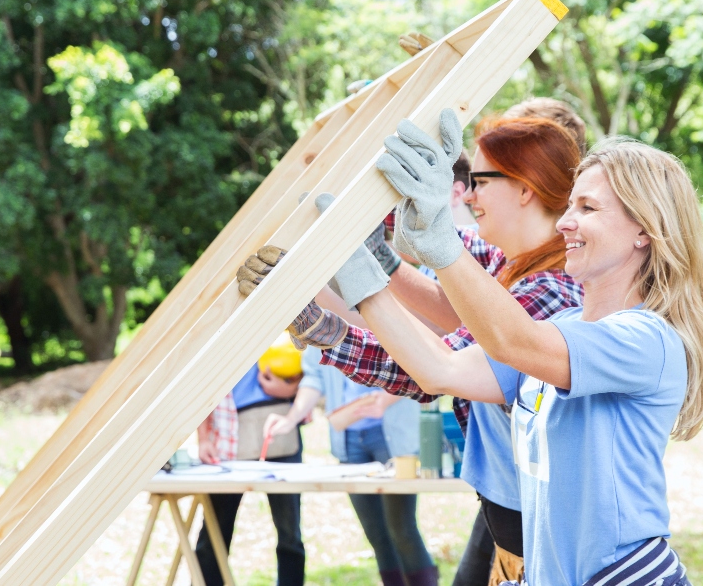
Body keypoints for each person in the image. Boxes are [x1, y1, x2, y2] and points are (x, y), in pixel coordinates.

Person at [345, 115, 703, 585]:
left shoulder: (646, 341)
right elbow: (437, 368)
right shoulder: (563, 325)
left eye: (587, 208)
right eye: (570, 205)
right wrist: (361, 273)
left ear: (643, 231)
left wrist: (439, 240)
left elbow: (512, 339)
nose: (565, 221)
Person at [238, 116, 585, 585]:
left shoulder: (550, 293)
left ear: (526, 189)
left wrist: (326, 327)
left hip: (545, 546)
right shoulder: (512, 265)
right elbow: (454, 309)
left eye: (479, 182)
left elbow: (436, 367)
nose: (467, 195)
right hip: (517, 529)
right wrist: (380, 254)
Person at [264, 349, 435, 586]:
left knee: (402, 530)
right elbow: (314, 378)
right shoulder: (320, 319)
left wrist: (385, 399)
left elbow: (421, 366)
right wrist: (290, 419)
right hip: (349, 440)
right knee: (376, 534)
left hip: (392, 437)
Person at [194, 336, 307, 586]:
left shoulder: (283, 322)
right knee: (214, 530)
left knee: (290, 533)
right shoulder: (217, 332)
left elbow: (311, 370)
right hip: (227, 440)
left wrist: (291, 389)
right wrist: (203, 438)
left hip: (280, 434)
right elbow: (200, 385)